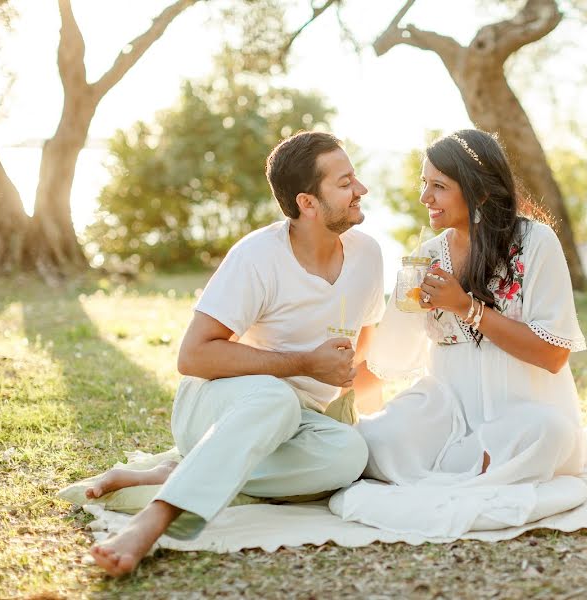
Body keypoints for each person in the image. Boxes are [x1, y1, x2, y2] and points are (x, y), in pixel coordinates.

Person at [87, 131, 386, 576]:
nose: (360, 189)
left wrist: (365, 410)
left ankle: (179, 472)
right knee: (276, 399)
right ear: (307, 203)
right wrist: (304, 363)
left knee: (349, 455)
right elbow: (193, 357)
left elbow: (362, 351)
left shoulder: (368, 255)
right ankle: (155, 520)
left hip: (299, 422)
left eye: (355, 178)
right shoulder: (257, 257)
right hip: (221, 405)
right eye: (345, 183)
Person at [331, 130, 587, 535]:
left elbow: (552, 355)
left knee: (551, 433)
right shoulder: (429, 256)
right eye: (424, 183)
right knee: (375, 440)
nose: (424, 198)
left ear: (480, 192)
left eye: (438, 186)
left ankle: (450, 470)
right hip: (447, 415)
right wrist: (326, 403)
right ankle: (470, 467)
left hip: (521, 417)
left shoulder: (536, 243)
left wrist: (465, 306)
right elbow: (388, 362)